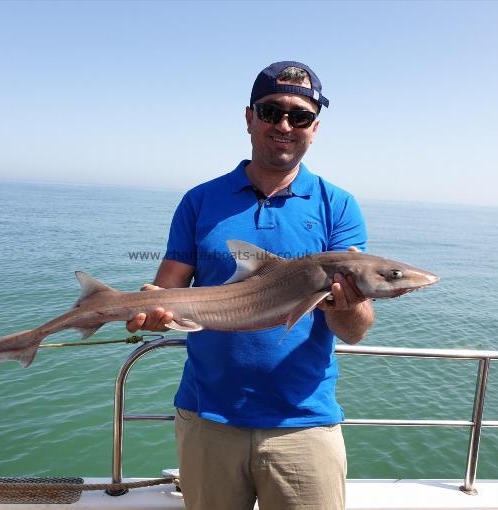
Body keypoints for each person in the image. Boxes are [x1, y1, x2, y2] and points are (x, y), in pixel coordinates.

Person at [127, 61, 375, 510]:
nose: (284, 125)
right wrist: (151, 316)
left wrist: (346, 304)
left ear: (314, 128)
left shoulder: (338, 206)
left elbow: (355, 331)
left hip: (304, 424)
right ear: (248, 117)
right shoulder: (200, 200)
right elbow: (165, 293)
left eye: (299, 116)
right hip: (209, 421)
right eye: (271, 111)